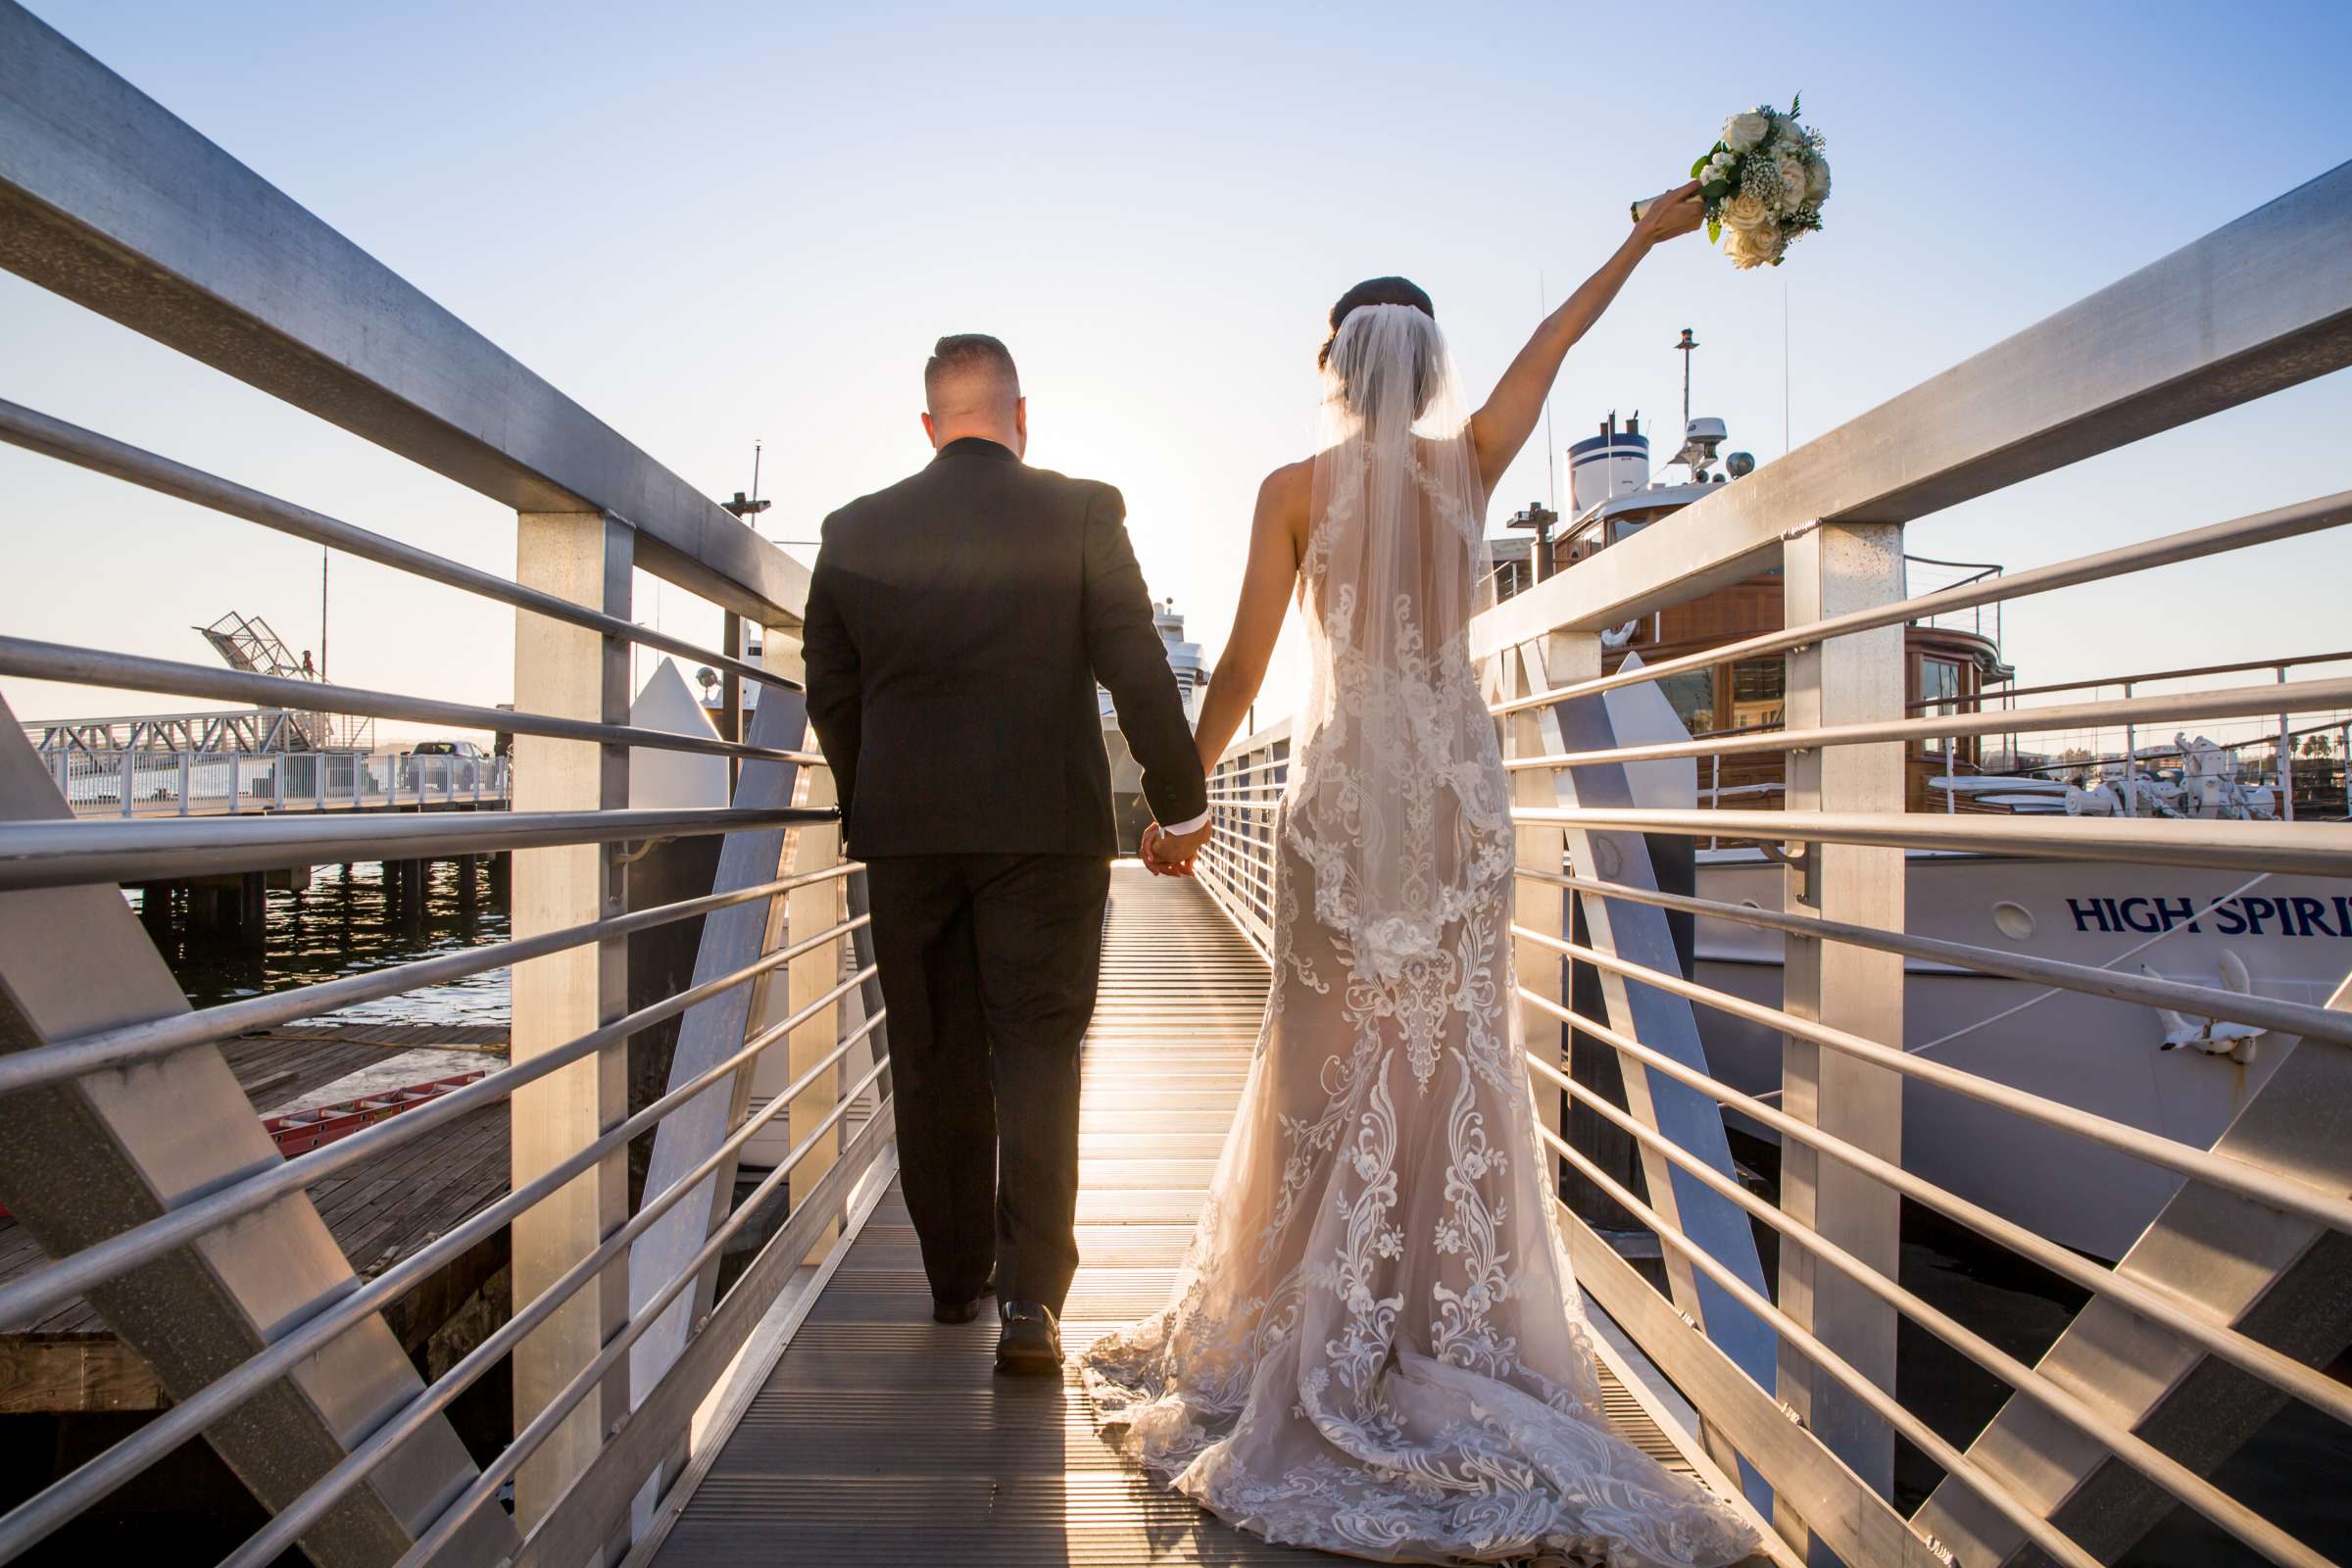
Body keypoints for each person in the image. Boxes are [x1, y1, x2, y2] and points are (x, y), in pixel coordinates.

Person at [1085, 187, 1763, 1565]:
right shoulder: (1471, 466)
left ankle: (1311, 1313)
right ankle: (1434, 1316)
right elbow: (1557, 343)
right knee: (1452, 1048)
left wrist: (1184, 797)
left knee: (1322, 1049)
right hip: (1454, 792)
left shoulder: (1292, 491)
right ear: (1431, 367)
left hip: (1345, 794)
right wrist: (1638, 236)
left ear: (1333, 366)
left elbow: (1239, 669)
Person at [802, 333, 1210, 1375]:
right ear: (1021, 419)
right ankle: (1031, 1304)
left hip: (911, 834)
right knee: (1035, 1052)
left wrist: (872, 795)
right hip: (1046, 828)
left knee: (934, 1054)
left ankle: (953, 1280)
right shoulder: (1080, 511)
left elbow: (831, 691)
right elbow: (1134, 658)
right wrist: (1181, 800)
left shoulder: (853, 532)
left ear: (931, 427)